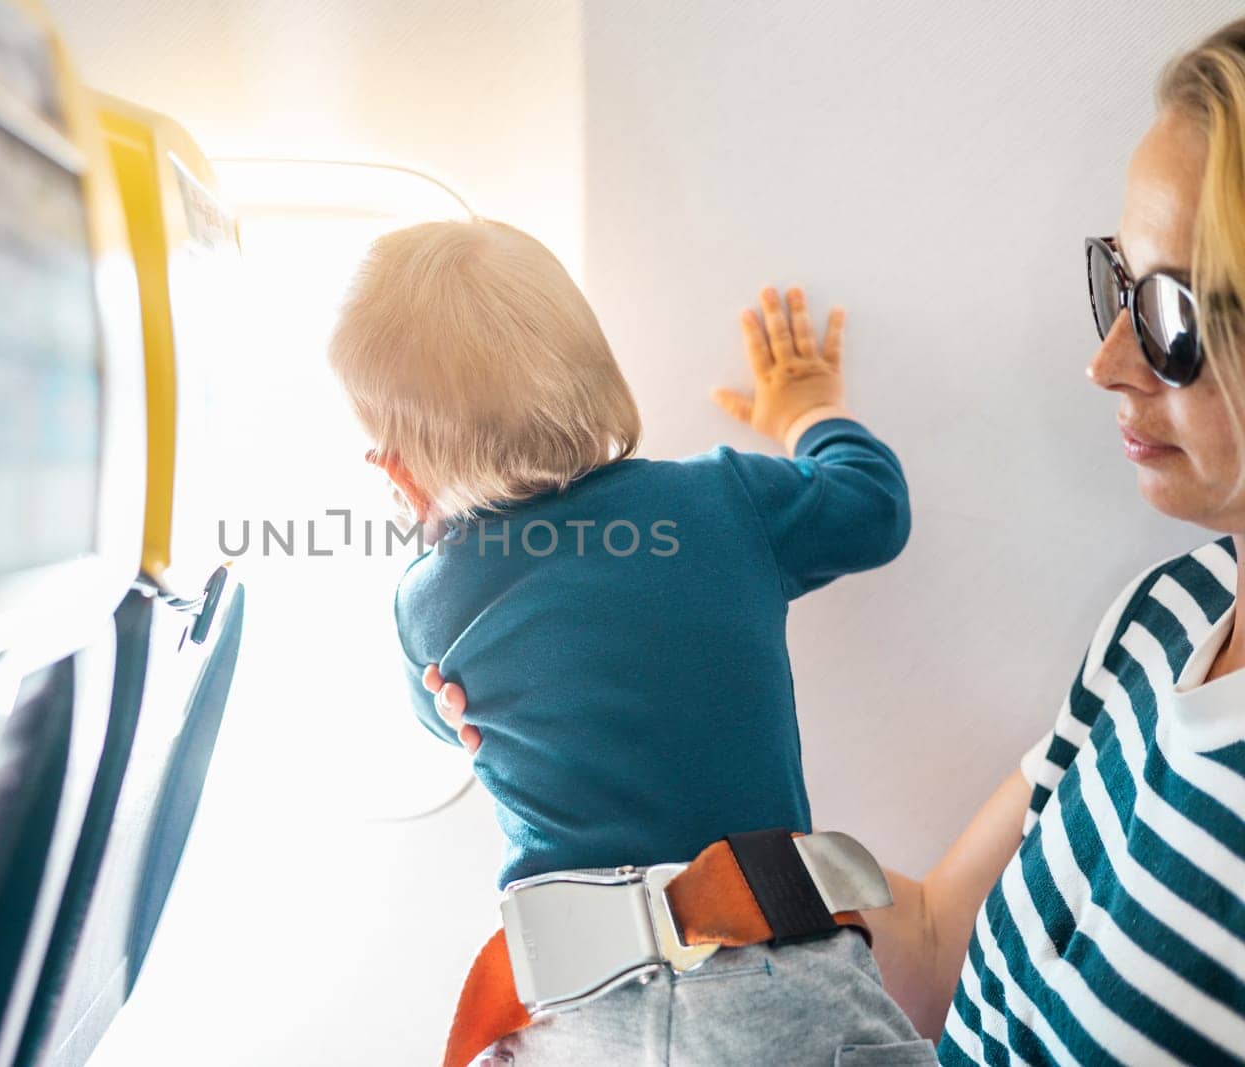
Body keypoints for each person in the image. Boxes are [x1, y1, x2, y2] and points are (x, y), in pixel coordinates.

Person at [422, 19, 1245, 1064]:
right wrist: (637, 897)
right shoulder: (1160, 614)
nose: (1106, 361)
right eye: (1111, 282)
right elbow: (939, 939)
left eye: (1169, 315)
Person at [328, 218, 928, 1065]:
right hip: (780, 993)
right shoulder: (723, 503)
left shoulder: (426, 604)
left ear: (396, 472)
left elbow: (440, 725)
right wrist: (807, 410)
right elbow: (874, 508)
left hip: (578, 1017)